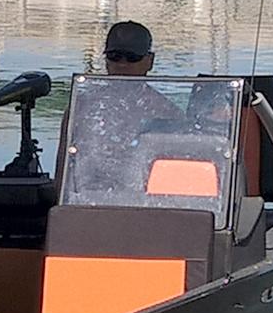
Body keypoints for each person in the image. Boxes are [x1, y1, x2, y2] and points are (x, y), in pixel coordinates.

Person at [54, 21, 183, 190]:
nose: (122, 64)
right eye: (114, 56)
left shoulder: (167, 112)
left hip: (141, 200)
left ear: (149, 61)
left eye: (132, 57)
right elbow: (62, 172)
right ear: (106, 60)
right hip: (87, 197)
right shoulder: (81, 107)